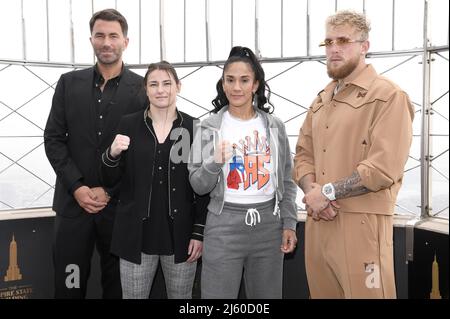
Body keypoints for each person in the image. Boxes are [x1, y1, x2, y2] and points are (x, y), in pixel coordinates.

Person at [293, 10, 414, 299]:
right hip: (319, 222)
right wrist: (313, 192)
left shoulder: (388, 96)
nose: (334, 48)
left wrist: (328, 192)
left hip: (362, 224)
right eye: (329, 41)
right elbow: (302, 154)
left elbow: (383, 168)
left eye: (343, 40)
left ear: (364, 46)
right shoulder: (321, 100)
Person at [44, 9, 147, 298]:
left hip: (119, 210)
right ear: (91, 40)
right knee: (70, 285)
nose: (106, 42)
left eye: (113, 36)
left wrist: (110, 191)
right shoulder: (68, 83)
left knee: (117, 289)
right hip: (72, 208)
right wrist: (77, 187)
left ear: (126, 41)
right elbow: (53, 139)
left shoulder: (142, 89)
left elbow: (144, 150)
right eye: (100, 35)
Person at [188, 46, 298, 299]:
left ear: (255, 85)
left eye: (244, 80)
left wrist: (289, 223)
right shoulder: (206, 128)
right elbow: (197, 185)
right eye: (230, 80)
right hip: (223, 227)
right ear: (223, 84)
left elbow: (286, 180)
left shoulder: (274, 126)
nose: (236, 87)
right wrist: (214, 162)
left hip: (269, 228)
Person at [100, 61, 208, 299]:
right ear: (146, 89)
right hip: (134, 236)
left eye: (167, 83)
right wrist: (112, 154)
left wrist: (198, 233)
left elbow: (204, 187)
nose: (161, 89)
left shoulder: (195, 126)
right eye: (154, 84)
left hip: (181, 238)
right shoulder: (128, 124)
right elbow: (110, 180)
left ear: (178, 86)